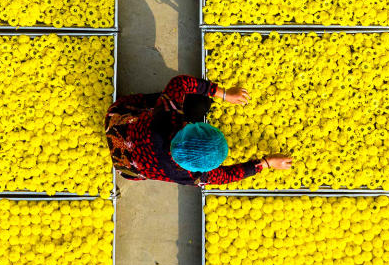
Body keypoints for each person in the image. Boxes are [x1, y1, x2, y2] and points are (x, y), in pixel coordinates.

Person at [105, 75, 293, 186]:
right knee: (199, 104)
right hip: (126, 168)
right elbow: (226, 176)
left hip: (117, 122)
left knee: (198, 102)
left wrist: (224, 94)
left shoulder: (167, 115)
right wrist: (266, 164)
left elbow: (180, 83)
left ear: (186, 126)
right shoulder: (187, 175)